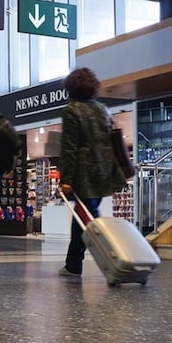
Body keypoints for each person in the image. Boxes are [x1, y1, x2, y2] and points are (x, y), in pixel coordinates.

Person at [58, 68, 126, 277]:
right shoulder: (102, 109)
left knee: (89, 217)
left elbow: (70, 147)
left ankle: (113, 257)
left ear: (70, 88)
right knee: (85, 214)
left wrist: (66, 179)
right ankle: (73, 263)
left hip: (83, 172)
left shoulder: (71, 110)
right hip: (103, 169)